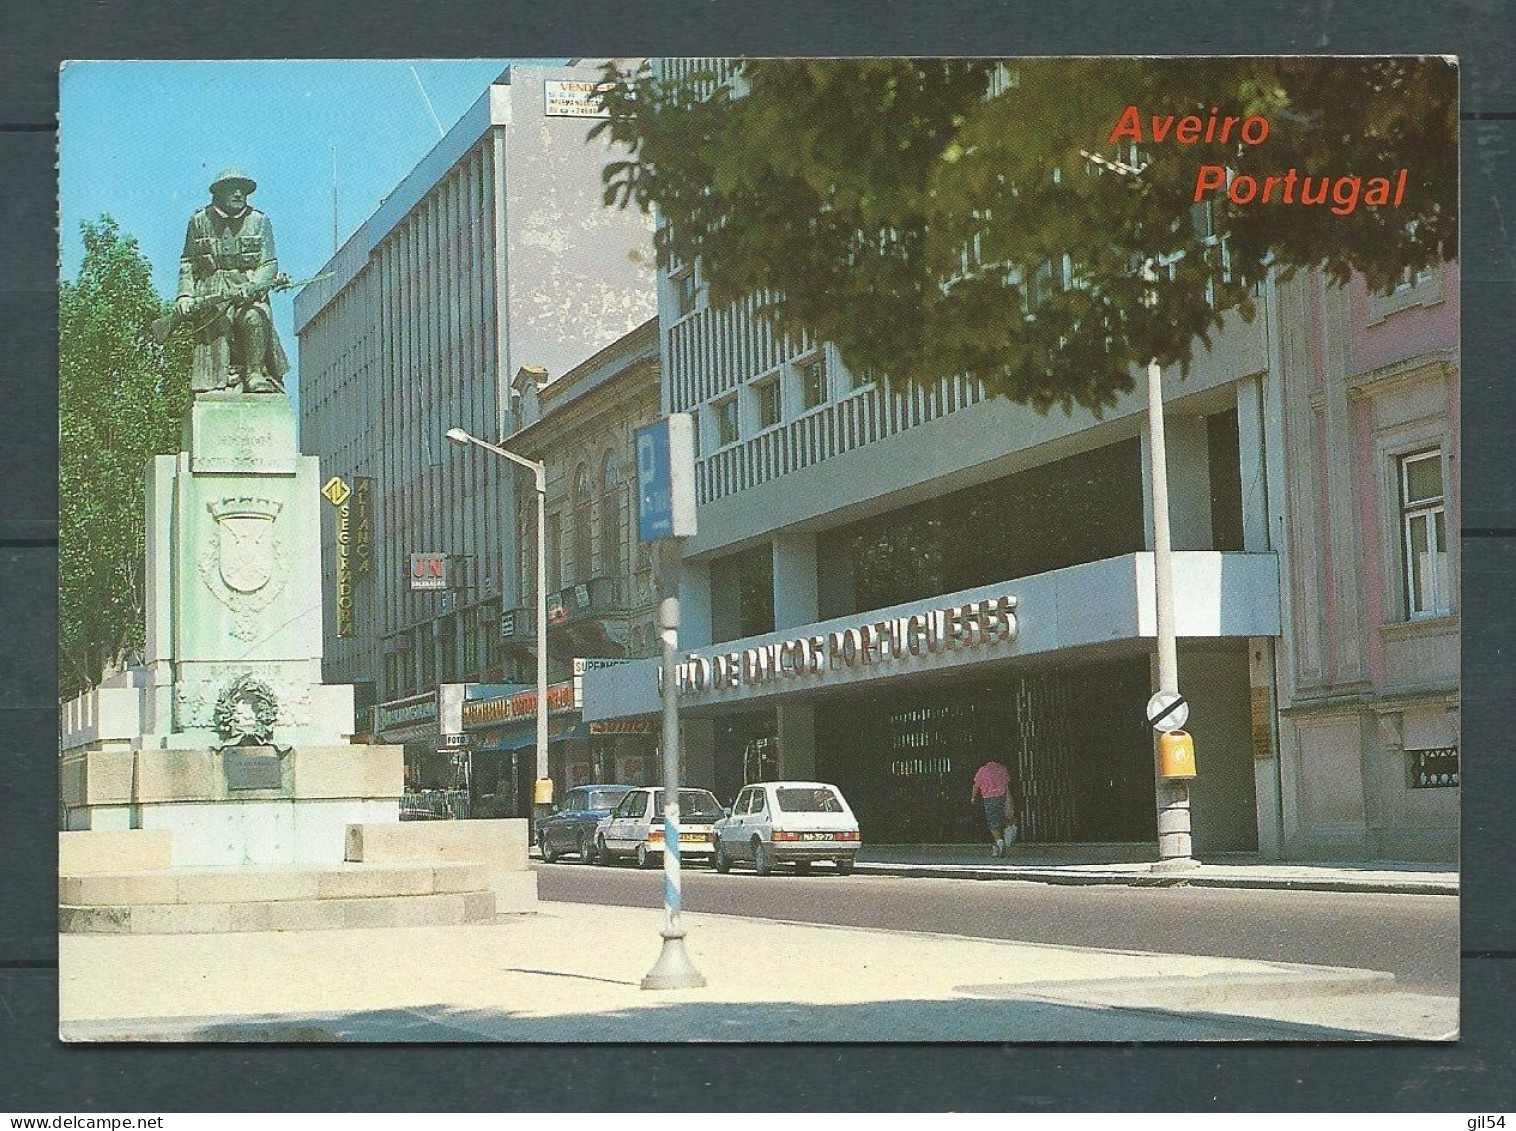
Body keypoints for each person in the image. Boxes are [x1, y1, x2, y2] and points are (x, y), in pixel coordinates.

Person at [175, 167, 291, 395]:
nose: (238, 194)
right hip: (212, 291)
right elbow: (188, 262)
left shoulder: (259, 221)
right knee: (218, 325)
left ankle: (255, 374)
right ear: (218, 192)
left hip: (248, 289)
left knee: (255, 318)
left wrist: (253, 285)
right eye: (232, 189)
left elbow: (269, 263)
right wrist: (185, 295)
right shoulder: (199, 221)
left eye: (243, 190)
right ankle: (216, 380)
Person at [971, 756, 1013, 857]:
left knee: (992, 822)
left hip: (989, 798)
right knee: (1003, 818)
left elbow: (976, 785)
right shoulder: (1002, 769)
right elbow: (1007, 783)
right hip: (1002, 797)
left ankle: (999, 842)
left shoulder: (982, 770)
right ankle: (1004, 842)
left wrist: (973, 798)